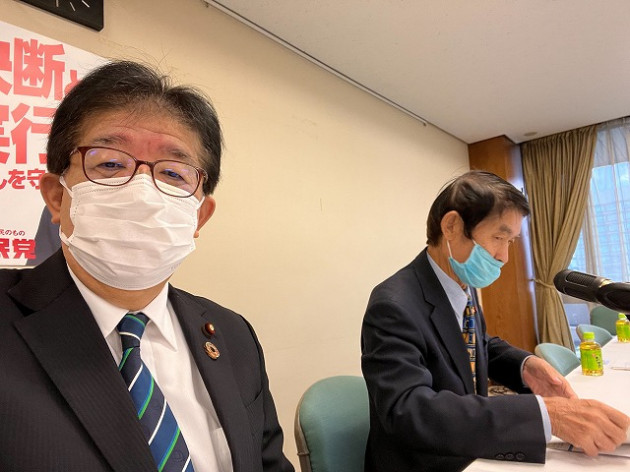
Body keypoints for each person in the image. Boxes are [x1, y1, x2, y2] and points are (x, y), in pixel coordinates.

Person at [0, 60, 294, 472]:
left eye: (173, 173)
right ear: (56, 196)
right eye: (109, 163)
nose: (142, 191)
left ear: (199, 216)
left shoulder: (234, 336)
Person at [361, 170, 630, 472]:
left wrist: (524, 365)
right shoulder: (393, 305)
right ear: (451, 226)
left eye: (510, 241)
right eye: (498, 238)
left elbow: (473, 344)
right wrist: (545, 414)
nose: (504, 257)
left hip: (469, 446)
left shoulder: (461, 284)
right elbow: (408, 410)